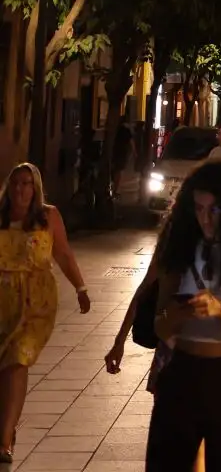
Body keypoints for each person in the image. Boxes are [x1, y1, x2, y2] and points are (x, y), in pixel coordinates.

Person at [143, 160, 221, 472]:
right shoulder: (181, 249)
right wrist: (178, 312)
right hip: (182, 373)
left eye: (214, 210)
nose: (205, 219)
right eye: (198, 209)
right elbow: (160, 324)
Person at [0, 163, 91, 462]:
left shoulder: (48, 216)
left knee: (19, 359)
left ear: (35, 188)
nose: (20, 189)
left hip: (35, 304)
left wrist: (80, 288)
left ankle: (5, 439)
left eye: (26, 184)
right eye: (16, 183)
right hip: (2, 300)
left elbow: (63, 253)